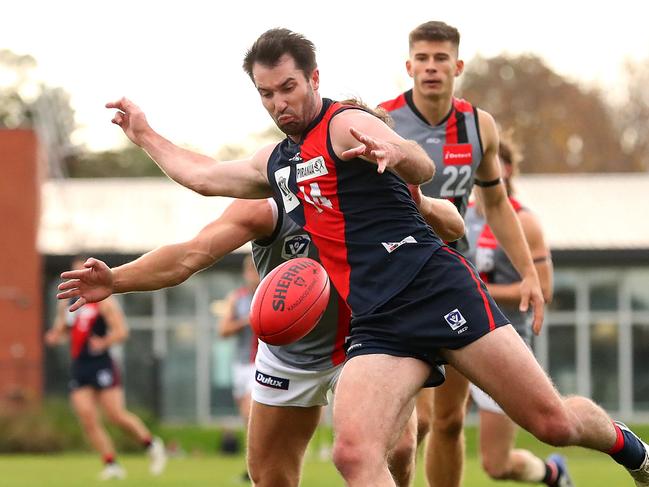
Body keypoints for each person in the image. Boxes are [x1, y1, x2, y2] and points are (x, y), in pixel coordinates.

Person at [102, 28, 649, 487]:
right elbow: (202, 176)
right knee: (354, 453)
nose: (279, 104)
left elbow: (419, 165)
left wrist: (397, 150)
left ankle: (633, 451)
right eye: (266, 94)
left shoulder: (344, 124)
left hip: (435, 289)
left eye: (288, 88)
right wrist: (144, 134)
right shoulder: (277, 160)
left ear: (314, 79)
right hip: (377, 321)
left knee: (550, 422)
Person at [57, 194, 464, 487]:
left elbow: (453, 226)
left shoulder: (382, 190)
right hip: (291, 354)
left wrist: (419, 197)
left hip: (369, 339)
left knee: (397, 451)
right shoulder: (268, 203)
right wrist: (116, 279)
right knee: (269, 479)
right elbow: (190, 251)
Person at [377, 20, 549, 487]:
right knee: (415, 427)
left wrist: (531, 273)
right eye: (423, 59)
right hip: (397, 283)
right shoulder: (382, 121)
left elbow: (495, 203)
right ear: (409, 65)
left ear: (458, 65)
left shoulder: (477, 124)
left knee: (450, 421)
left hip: (454, 279)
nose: (431, 68)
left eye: (440, 59)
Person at [463, 132, 572, 485]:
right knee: (435, 424)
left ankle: (552, 472)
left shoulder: (524, 220)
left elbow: (543, 289)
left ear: (504, 169)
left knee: (496, 465)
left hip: (504, 340)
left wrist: (478, 290)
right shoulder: (460, 212)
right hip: (456, 334)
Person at [45, 257, 167, 480]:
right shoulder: (67, 303)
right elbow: (62, 331)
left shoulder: (102, 301)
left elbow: (122, 331)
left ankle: (151, 445)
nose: (77, 279)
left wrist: (104, 342)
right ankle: (111, 464)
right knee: (87, 416)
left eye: (81, 274)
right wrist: (56, 335)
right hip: (80, 365)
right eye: (73, 274)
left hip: (101, 363)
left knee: (115, 415)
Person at [218, 254, 259, 480]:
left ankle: (256, 468)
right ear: (245, 273)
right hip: (240, 365)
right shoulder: (237, 298)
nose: (254, 275)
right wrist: (247, 321)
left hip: (260, 364)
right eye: (250, 271)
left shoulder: (272, 293)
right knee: (248, 420)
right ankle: (254, 466)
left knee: (250, 413)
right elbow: (222, 330)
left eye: (257, 270)